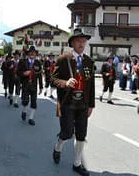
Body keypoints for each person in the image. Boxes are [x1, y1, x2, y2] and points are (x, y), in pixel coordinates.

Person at [51, 28, 95, 176]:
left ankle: (77, 164)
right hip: (68, 103)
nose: (82, 43)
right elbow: (52, 80)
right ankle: (58, 146)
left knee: (81, 135)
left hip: (83, 103)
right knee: (67, 133)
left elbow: (91, 85)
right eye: (78, 41)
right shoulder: (63, 59)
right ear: (72, 43)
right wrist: (65, 82)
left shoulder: (89, 61)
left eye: (84, 41)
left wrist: (91, 105)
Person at [17, 46, 43, 126]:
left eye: (34, 52)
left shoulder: (38, 63)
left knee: (34, 102)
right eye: (31, 52)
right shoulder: (22, 61)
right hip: (25, 84)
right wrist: (24, 73)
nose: (32, 53)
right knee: (25, 101)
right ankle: (24, 111)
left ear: (35, 54)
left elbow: (40, 75)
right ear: (28, 54)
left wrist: (41, 87)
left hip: (34, 86)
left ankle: (31, 118)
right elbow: (18, 72)